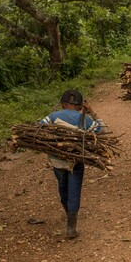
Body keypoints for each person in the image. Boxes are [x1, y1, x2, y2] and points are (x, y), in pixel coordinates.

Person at [40, 89, 103, 239]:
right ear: (81, 106)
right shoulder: (85, 119)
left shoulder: (53, 116)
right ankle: (71, 227)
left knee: (62, 186)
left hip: (57, 160)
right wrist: (92, 112)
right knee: (74, 191)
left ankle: (67, 211)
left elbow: (38, 126)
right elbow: (100, 129)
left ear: (62, 104)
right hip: (76, 161)